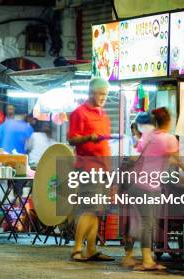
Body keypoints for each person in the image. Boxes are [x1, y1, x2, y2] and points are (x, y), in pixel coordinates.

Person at [123, 107, 184, 271]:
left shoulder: (149, 136)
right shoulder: (169, 139)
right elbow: (180, 162)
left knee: (137, 223)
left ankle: (129, 257)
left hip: (135, 185)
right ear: (169, 121)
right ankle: (147, 261)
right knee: (147, 224)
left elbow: (143, 157)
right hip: (148, 187)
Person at [67, 78, 114, 262]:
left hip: (103, 170)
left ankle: (92, 249)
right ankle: (77, 249)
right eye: (100, 94)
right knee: (89, 209)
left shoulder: (104, 116)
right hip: (88, 168)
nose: (103, 98)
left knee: (97, 210)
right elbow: (72, 139)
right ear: (90, 93)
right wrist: (88, 138)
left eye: (105, 95)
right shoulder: (79, 113)